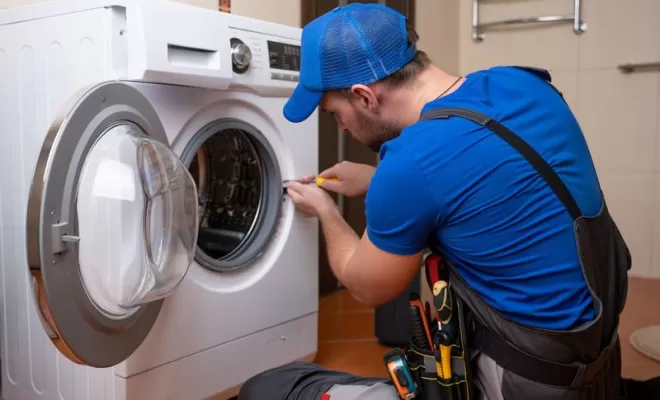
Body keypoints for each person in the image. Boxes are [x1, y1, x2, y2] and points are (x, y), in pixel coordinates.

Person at [238, 3, 631, 400]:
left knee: (268, 389)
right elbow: (489, 184)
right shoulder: (522, 84)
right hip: (596, 365)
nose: (340, 126)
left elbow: (365, 286)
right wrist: (378, 182)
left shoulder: (412, 160)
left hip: (524, 382)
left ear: (363, 96)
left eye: (335, 113)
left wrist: (326, 211)